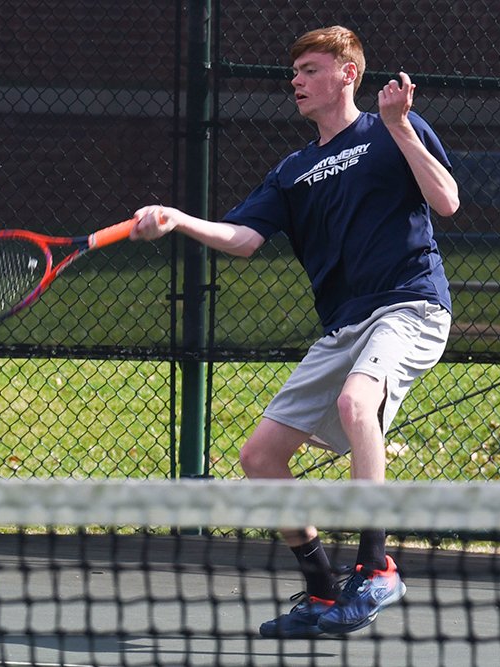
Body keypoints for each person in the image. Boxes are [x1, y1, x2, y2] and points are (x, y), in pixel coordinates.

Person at [130, 25, 459, 637]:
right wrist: (177, 219)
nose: (296, 81)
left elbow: (447, 202)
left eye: (309, 69)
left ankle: (376, 563)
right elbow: (244, 239)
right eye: (295, 71)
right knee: (260, 457)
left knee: (356, 400)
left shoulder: (393, 130)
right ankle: (324, 591)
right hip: (343, 326)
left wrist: (400, 127)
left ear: (346, 73)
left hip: (410, 305)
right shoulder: (293, 170)